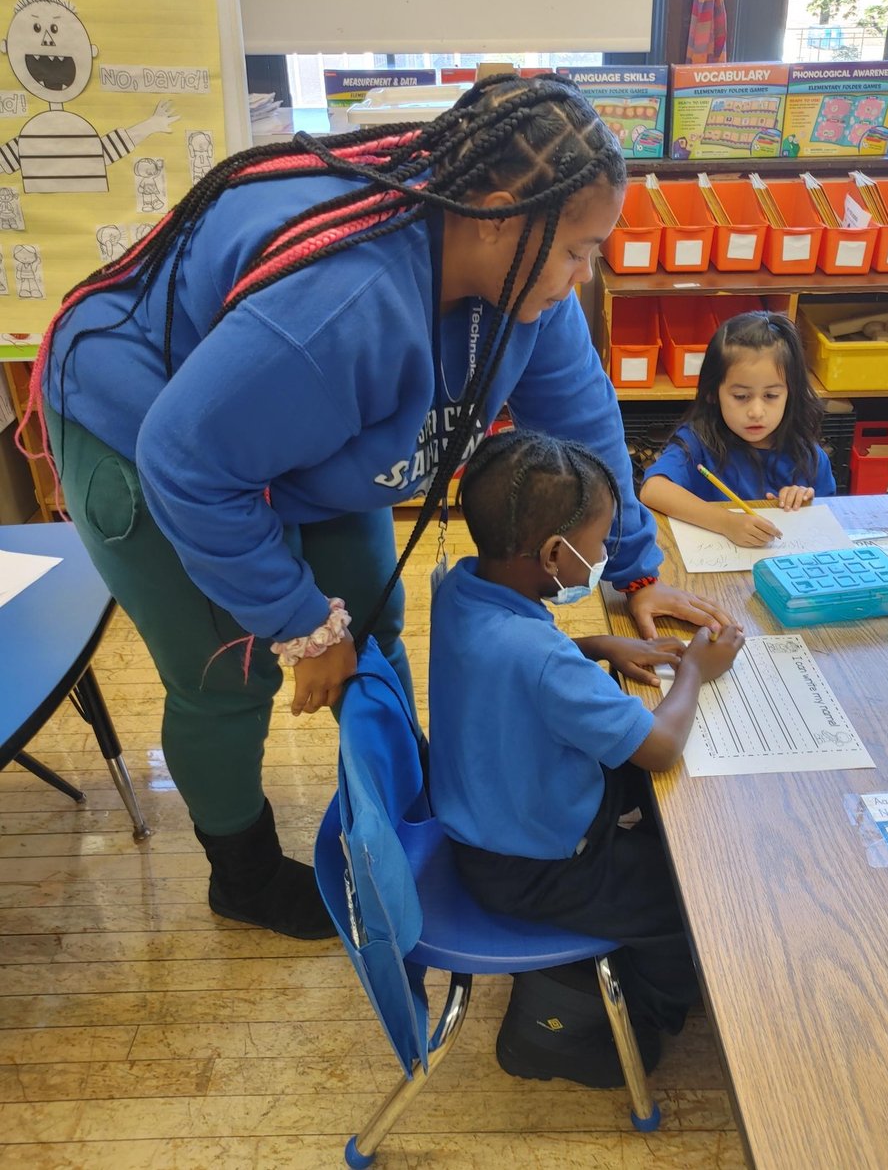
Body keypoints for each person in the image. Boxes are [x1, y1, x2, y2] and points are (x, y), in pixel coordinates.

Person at [21, 73, 733, 941]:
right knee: (230, 669)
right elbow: (189, 462)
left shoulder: (526, 269)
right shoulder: (344, 306)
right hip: (144, 429)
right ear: (500, 214)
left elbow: (580, 417)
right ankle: (240, 874)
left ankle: (404, 812)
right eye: (580, 251)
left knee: (375, 612)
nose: (586, 274)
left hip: (276, 422)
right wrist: (304, 629)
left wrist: (632, 568)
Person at [429, 429, 743, 1085]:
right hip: (531, 867)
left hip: (496, 816)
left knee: (667, 823)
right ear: (553, 553)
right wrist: (696, 672)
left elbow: (504, 659)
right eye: (600, 544)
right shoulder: (538, 659)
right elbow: (660, 747)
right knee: (694, 897)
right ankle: (639, 1019)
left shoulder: (459, 588)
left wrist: (596, 645)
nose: (604, 556)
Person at [639, 311, 835, 547]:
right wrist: (726, 523)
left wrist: (804, 502)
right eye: (741, 396)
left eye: (771, 395)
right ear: (713, 393)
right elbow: (653, 489)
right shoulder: (699, 442)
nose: (756, 411)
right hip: (714, 570)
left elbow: (828, 515)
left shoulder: (809, 456)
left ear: (790, 394)